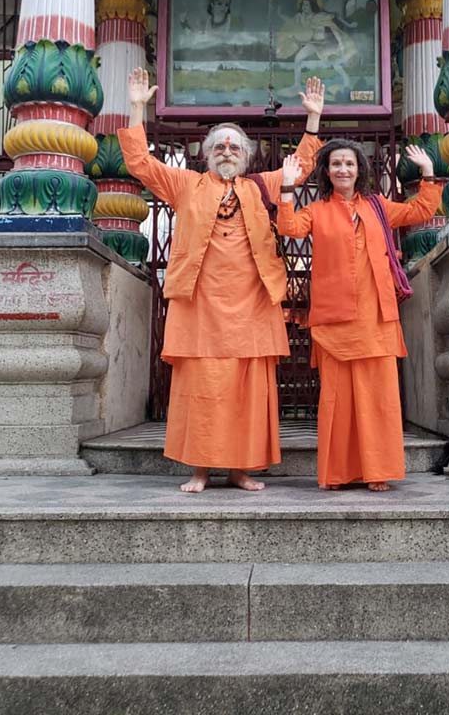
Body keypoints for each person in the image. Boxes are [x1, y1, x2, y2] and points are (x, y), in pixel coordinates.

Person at [118, 68, 325, 493]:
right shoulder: (185, 185)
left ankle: (239, 469)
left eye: (234, 146)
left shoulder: (260, 186)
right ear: (207, 153)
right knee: (203, 389)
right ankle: (200, 469)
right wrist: (138, 107)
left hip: (251, 304)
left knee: (247, 391)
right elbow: (139, 163)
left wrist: (313, 120)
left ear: (245, 156)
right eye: (220, 146)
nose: (227, 151)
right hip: (200, 305)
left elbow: (300, 169)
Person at [277, 139, 441, 492]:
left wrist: (428, 173)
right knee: (337, 400)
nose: (343, 170)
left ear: (359, 169)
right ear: (326, 171)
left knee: (378, 399)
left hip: (377, 317)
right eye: (336, 163)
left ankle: (377, 471)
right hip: (335, 318)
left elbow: (419, 212)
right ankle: (336, 472)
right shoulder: (317, 210)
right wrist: (288, 186)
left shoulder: (377, 206)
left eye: (349, 163)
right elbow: (288, 227)